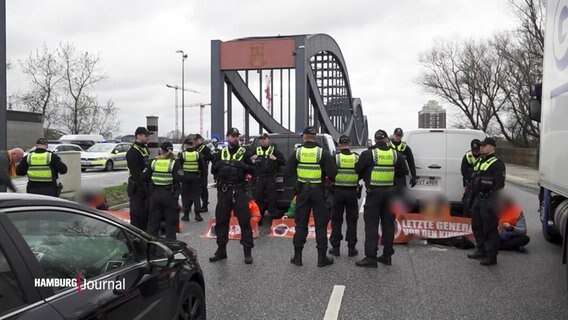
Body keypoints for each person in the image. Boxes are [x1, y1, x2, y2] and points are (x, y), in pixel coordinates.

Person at [284, 126, 338, 267]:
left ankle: (298, 257)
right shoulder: (322, 153)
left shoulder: (298, 152)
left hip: (302, 192)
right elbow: (333, 173)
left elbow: (288, 172)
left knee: (301, 224)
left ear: (305, 137)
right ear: (314, 137)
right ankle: (322, 258)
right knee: (321, 225)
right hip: (318, 192)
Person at [355, 129, 405, 268]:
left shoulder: (368, 154)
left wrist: (368, 174)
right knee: (388, 224)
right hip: (390, 192)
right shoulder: (395, 154)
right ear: (386, 140)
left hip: (374, 193)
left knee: (371, 224)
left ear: (375, 140)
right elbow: (403, 171)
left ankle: (371, 257)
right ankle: (387, 255)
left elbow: (358, 170)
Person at [209, 128, 255, 264]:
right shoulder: (220, 152)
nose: (235, 138)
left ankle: (247, 252)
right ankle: (221, 250)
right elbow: (213, 170)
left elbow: (254, 169)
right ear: (227, 137)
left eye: (237, 136)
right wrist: (220, 165)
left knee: (244, 221)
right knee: (221, 221)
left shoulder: (246, 152)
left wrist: (243, 166)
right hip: (224, 191)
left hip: (239, 190)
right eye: (233, 136)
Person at [467, 137, 506, 266]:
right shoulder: (479, 161)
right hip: (478, 198)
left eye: (484, 146)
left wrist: (492, 201)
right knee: (477, 226)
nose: (481, 148)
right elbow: (473, 180)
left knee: (489, 229)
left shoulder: (497, 163)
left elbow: (499, 184)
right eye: (481, 146)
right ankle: (480, 249)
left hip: (489, 199)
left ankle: (491, 256)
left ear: (492, 147)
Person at [143, 142, 183, 240]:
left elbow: (145, 177)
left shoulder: (154, 162)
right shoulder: (174, 163)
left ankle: (151, 249)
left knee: (153, 223)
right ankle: (171, 248)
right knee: (170, 224)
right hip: (169, 194)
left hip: (155, 195)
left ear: (161, 150)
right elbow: (179, 178)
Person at [329, 135, 360, 257]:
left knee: (336, 220)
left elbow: (330, 173)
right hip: (352, 191)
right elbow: (361, 172)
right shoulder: (356, 158)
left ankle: (335, 248)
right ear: (350, 143)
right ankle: (351, 249)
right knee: (352, 220)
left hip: (338, 191)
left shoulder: (336, 157)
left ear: (339, 144)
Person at [251, 133, 286, 223]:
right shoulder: (256, 150)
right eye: (261, 139)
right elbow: (249, 162)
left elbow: (284, 162)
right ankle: (259, 217)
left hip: (270, 177)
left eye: (264, 138)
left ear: (268, 139)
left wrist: (275, 159)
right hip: (259, 178)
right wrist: (252, 160)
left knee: (272, 197)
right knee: (258, 198)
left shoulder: (274, 151)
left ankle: (273, 217)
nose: (263, 140)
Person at [126, 127, 151, 231]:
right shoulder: (133, 152)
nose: (148, 138)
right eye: (146, 136)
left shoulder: (143, 149)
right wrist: (144, 188)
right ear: (138, 136)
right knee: (137, 215)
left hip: (145, 187)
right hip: (137, 188)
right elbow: (136, 174)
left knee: (145, 215)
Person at [179, 137, 206, 222]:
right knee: (196, 196)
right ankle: (197, 215)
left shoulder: (182, 154)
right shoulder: (197, 154)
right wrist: (202, 177)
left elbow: (179, 168)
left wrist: (180, 178)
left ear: (186, 145)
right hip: (195, 177)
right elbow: (203, 167)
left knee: (185, 196)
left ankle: (186, 215)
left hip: (185, 178)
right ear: (192, 145)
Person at [461, 139, 482, 217]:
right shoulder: (467, 156)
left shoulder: (484, 156)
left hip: (481, 184)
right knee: (467, 202)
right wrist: (471, 178)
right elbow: (464, 171)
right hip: (470, 183)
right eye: (474, 150)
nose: (476, 152)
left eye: (477, 150)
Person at [195, 134, 213, 213]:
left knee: (203, 188)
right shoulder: (195, 148)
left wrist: (203, 157)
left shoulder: (205, 149)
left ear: (201, 140)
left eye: (197, 140)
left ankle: (205, 205)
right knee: (195, 188)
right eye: (195, 140)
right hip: (195, 170)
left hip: (203, 170)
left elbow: (210, 157)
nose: (196, 141)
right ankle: (195, 205)